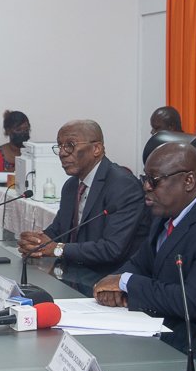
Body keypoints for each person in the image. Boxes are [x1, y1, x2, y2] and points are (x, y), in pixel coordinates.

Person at [92, 142, 196, 329]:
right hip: (162, 325)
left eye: (154, 180)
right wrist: (113, 282)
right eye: (145, 178)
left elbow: (189, 303)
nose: (146, 186)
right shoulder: (166, 214)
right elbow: (140, 264)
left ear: (188, 181)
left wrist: (125, 282)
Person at [17, 120, 150, 296]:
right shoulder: (71, 186)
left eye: (70, 145)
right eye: (59, 146)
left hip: (109, 284)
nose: (62, 153)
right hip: (74, 278)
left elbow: (112, 249)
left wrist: (57, 249)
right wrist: (37, 242)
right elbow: (59, 231)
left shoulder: (123, 185)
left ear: (96, 148)